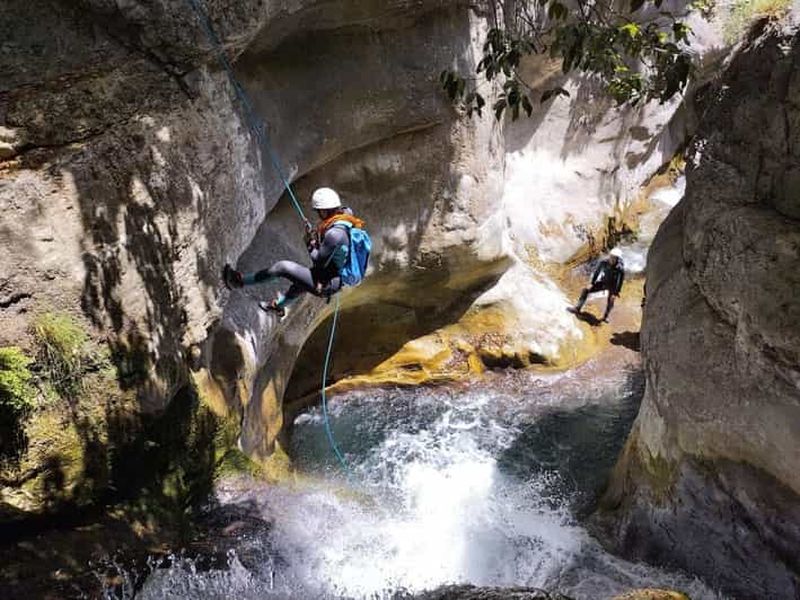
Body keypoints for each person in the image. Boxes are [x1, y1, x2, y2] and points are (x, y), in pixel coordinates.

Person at [223, 187, 366, 318]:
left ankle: (238, 281)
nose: (318, 215)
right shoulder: (345, 219)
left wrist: (309, 244)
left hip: (325, 283)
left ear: (324, 211)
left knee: (282, 267)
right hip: (332, 278)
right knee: (298, 285)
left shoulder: (335, 234)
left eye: (318, 211)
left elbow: (319, 262)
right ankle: (277, 307)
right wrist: (316, 240)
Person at [568, 247, 625, 323]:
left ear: (617, 259)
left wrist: (616, 293)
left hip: (613, 286)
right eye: (611, 257)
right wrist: (592, 283)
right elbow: (597, 272)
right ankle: (577, 308)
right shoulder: (604, 262)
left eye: (614, 258)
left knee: (611, 301)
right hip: (603, 282)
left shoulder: (620, 268)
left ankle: (605, 317)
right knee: (586, 290)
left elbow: (620, 281)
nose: (612, 259)